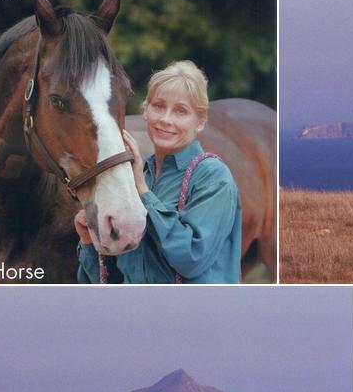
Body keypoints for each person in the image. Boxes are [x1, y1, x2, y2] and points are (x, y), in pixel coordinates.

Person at [75, 61, 242, 283]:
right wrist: (88, 243)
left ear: (200, 122)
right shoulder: (136, 176)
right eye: (159, 106)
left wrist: (144, 193)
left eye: (181, 111)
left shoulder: (213, 177)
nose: (165, 119)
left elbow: (191, 260)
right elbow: (111, 282)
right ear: (145, 110)